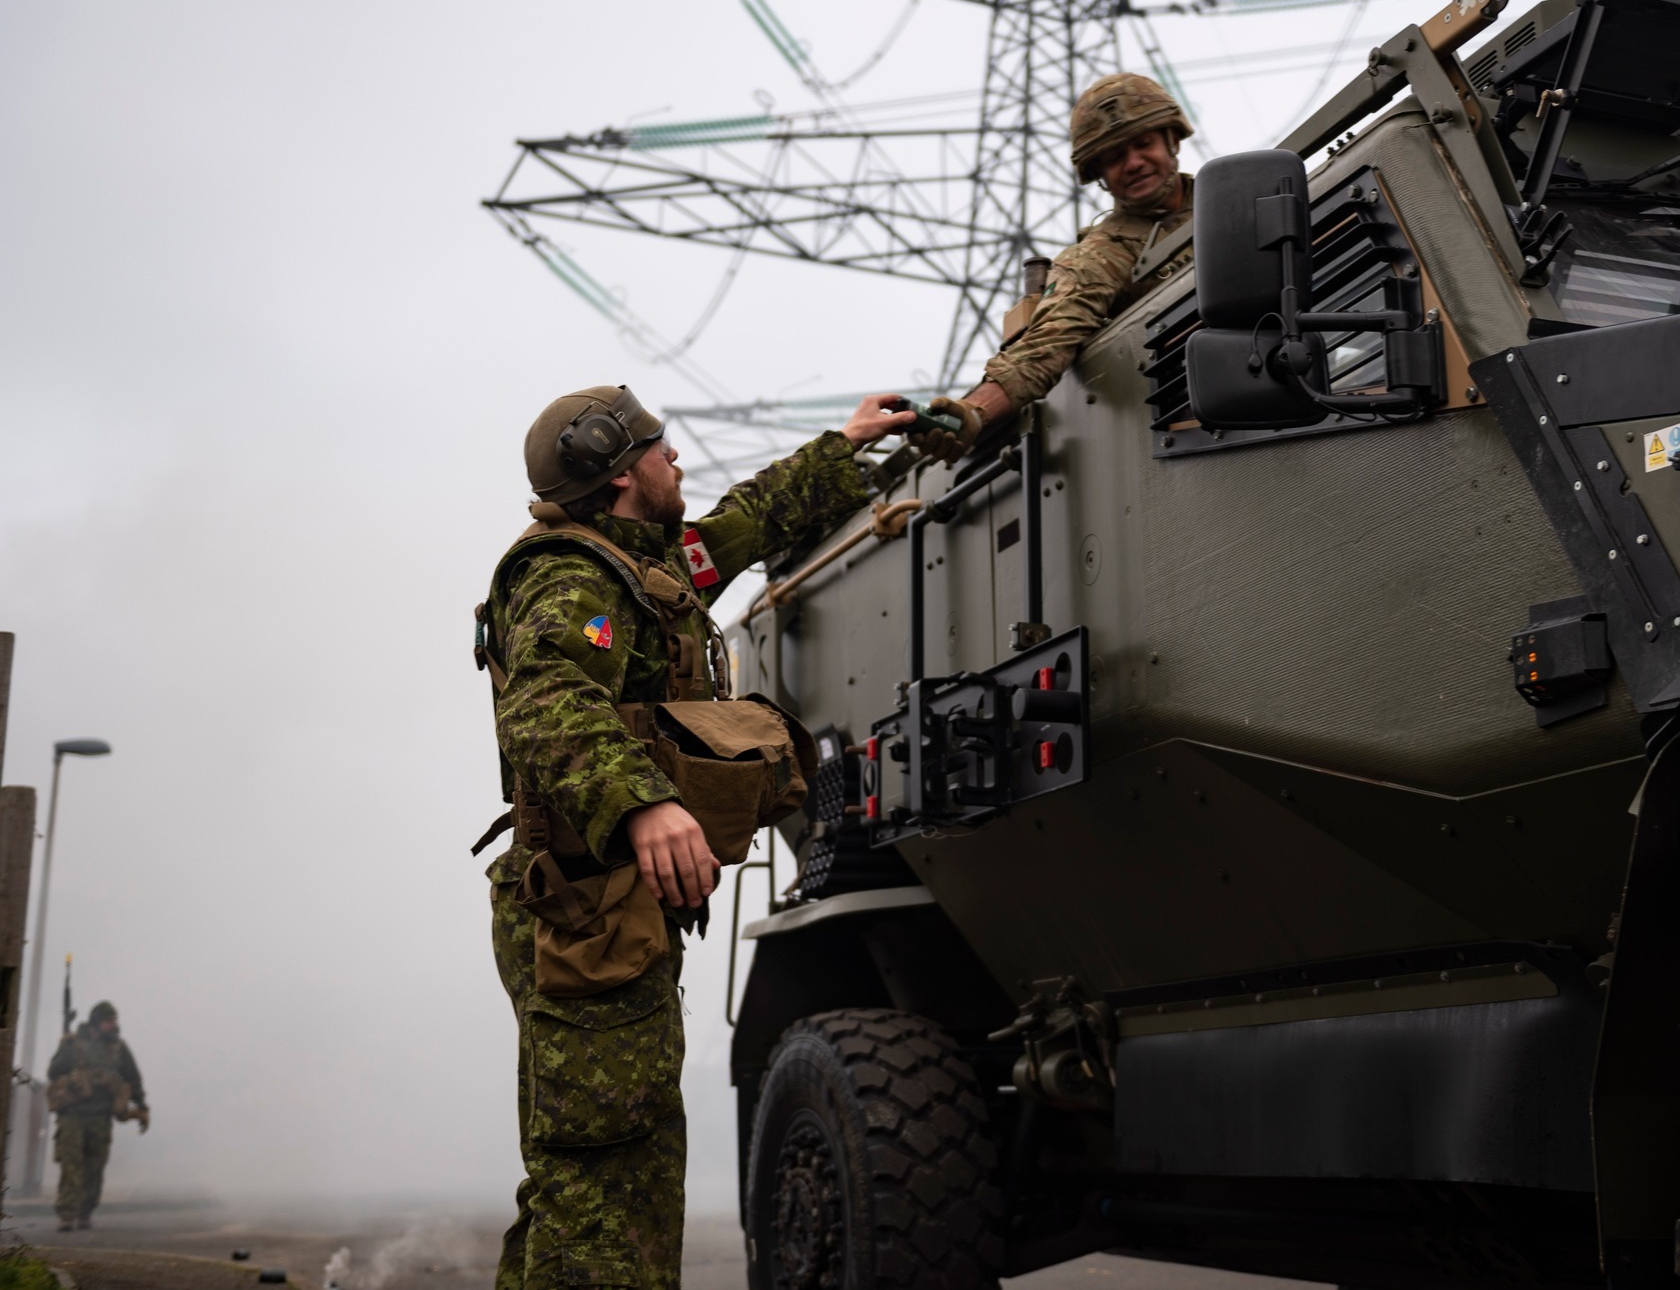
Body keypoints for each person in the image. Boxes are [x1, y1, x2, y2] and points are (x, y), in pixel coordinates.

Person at [475, 383, 915, 1290]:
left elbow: (743, 526)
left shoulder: (647, 568)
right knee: (603, 1183)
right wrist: (642, 802)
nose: (676, 457)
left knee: (604, 1176)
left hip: (612, 916)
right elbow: (545, 701)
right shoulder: (571, 576)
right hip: (583, 913)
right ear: (622, 473)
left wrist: (846, 442)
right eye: (660, 447)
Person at [916, 72, 1196, 462]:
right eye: (1114, 157)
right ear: (1097, 173)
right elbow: (1044, 345)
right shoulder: (1099, 257)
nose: (1133, 163)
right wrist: (973, 413)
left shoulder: (1233, 198)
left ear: (1173, 140)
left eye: (1143, 144)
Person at [46, 1000, 148, 1232]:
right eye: (109, 1021)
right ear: (96, 1022)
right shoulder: (72, 1043)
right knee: (71, 1165)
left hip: (100, 1117)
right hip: (72, 1115)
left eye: (114, 1021)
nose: (113, 1025)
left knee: (95, 1167)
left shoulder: (117, 1048)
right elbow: (53, 1071)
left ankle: (85, 1212)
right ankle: (67, 1214)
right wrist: (73, 1073)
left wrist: (142, 1106)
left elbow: (133, 1077)